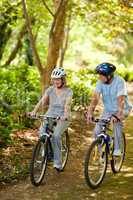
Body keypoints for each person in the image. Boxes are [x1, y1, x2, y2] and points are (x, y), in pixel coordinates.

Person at [29, 67, 73, 171]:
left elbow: (67, 105)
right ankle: (48, 154)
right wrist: (34, 111)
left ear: (63, 79)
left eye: (58, 79)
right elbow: (42, 102)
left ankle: (57, 162)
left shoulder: (68, 91)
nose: (56, 81)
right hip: (50, 114)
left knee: (56, 136)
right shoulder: (50, 89)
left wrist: (65, 115)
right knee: (42, 133)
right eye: (54, 79)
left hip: (63, 116)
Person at [86, 62, 132, 156]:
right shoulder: (100, 82)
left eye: (101, 75)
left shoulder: (120, 81)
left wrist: (118, 114)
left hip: (122, 109)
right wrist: (90, 112)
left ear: (109, 76)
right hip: (108, 110)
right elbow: (95, 98)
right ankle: (104, 150)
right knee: (97, 131)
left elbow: (121, 100)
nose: (99, 77)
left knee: (116, 123)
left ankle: (117, 149)